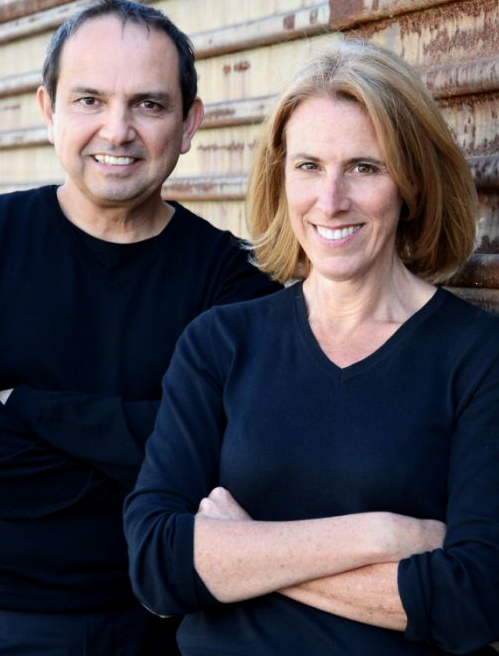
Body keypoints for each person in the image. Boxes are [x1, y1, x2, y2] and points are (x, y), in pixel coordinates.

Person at [124, 39, 499, 655]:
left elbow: (474, 600)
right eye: (308, 166)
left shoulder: (475, 357)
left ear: (412, 183)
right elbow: (158, 564)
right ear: (281, 177)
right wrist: (380, 536)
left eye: (364, 167)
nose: (330, 201)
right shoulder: (220, 343)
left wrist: (244, 551)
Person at [0, 0, 279, 656]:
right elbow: (188, 467)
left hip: (162, 628)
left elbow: (247, 456)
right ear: (48, 110)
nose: (117, 130)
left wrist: (27, 409)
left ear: (189, 122)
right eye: (89, 100)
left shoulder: (230, 284)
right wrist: (156, 470)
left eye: (148, 104)